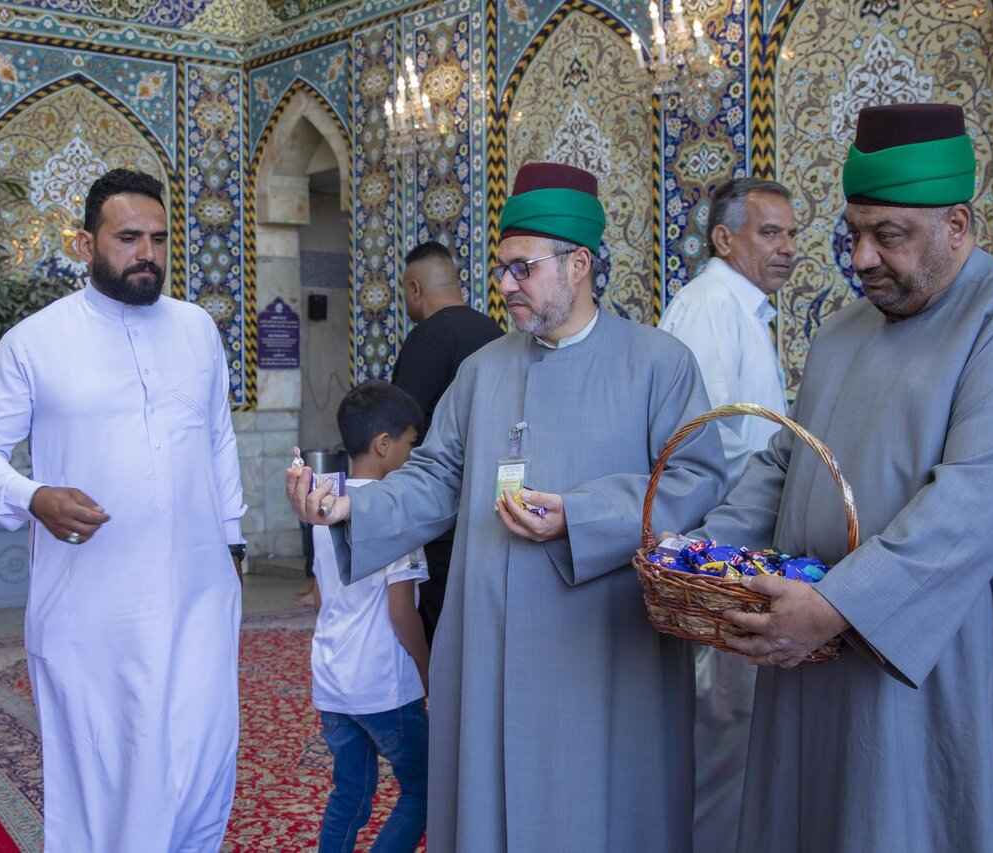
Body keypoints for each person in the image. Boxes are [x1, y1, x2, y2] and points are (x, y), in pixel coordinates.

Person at [692, 103, 993, 851]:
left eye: (887, 235)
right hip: (831, 655)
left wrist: (832, 606)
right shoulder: (841, 333)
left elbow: (969, 508)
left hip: (971, 671)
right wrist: (695, 554)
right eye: (853, 233)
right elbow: (788, 462)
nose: (861, 258)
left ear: (956, 225)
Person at [289, 162, 727, 851]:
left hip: (601, 650)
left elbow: (695, 480)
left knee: (599, 811)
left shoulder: (658, 364)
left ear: (578, 264)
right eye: (501, 268)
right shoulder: (483, 370)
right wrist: (349, 508)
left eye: (523, 269)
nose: (505, 285)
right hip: (488, 638)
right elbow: (434, 475)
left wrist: (582, 515)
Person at [0, 168, 247, 852]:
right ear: (86, 244)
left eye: (159, 239)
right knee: (109, 765)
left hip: (200, 590)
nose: (147, 253)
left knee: (201, 755)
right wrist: (33, 496)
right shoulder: (36, 341)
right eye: (128, 238)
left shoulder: (196, 329)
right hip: (91, 601)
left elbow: (217, 438)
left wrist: (232, 544)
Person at [658, 177, 798, 852]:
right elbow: (705, 447)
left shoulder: (739, 309)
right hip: (720, 557)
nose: (787, 247)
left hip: (740, 552)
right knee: (720, 726)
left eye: (791, 234)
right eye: (770, 233)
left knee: (734, 729)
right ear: (723, 238)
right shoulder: (713, 307)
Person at [308, 380, 430, 853]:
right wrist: (428, 673)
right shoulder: (394, 512)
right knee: (421, 791)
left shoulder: (324, 505)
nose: (413, 455)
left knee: (350, 794)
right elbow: (402, 613)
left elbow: (320, 596)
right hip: (384, 685)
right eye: (411, 443)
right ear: (384, 444)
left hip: (334, 681)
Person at [391, 240, 503, 643]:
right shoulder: (496, 334)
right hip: (496, 508)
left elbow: (400, 428)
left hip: (442, 517)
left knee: (441, 624)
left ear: (414, 289)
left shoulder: (427, 339)